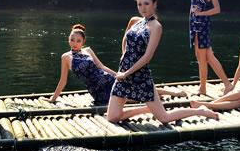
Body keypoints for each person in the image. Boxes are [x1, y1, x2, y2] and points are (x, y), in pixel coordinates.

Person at [106, 0, 219, 124]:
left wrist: (127, 73)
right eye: (139, 4)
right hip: (124, 71)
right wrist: (124, 55)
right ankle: (146, 109)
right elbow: (126, 38)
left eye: (146, 4)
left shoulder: (156, 27)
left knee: (164, 118)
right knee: (112, 117)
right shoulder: (134, 21)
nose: (143, 8)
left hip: (140, 75)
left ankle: (200, 111)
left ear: (154, 4)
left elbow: (147, 57)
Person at [44, 24, 187, 106]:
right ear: (68, 39)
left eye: (78, 41)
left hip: (108, 79)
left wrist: (119, 75)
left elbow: (102, 67)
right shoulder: (66, 57)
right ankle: (159, 98)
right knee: (133, 97)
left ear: (83, 41)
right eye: (72, 39)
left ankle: (173, 93)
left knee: (136, 88)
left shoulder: (88, 50)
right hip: (97, 90)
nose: (74, 43)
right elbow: (63, 81)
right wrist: (52, 99)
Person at [181, 0, 232, 95]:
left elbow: (217, 9)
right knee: (205, 57)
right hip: (195, 24)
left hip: (201, 25)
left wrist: (201, 13)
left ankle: (208, 87)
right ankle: (217, 86)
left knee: (203, 58)